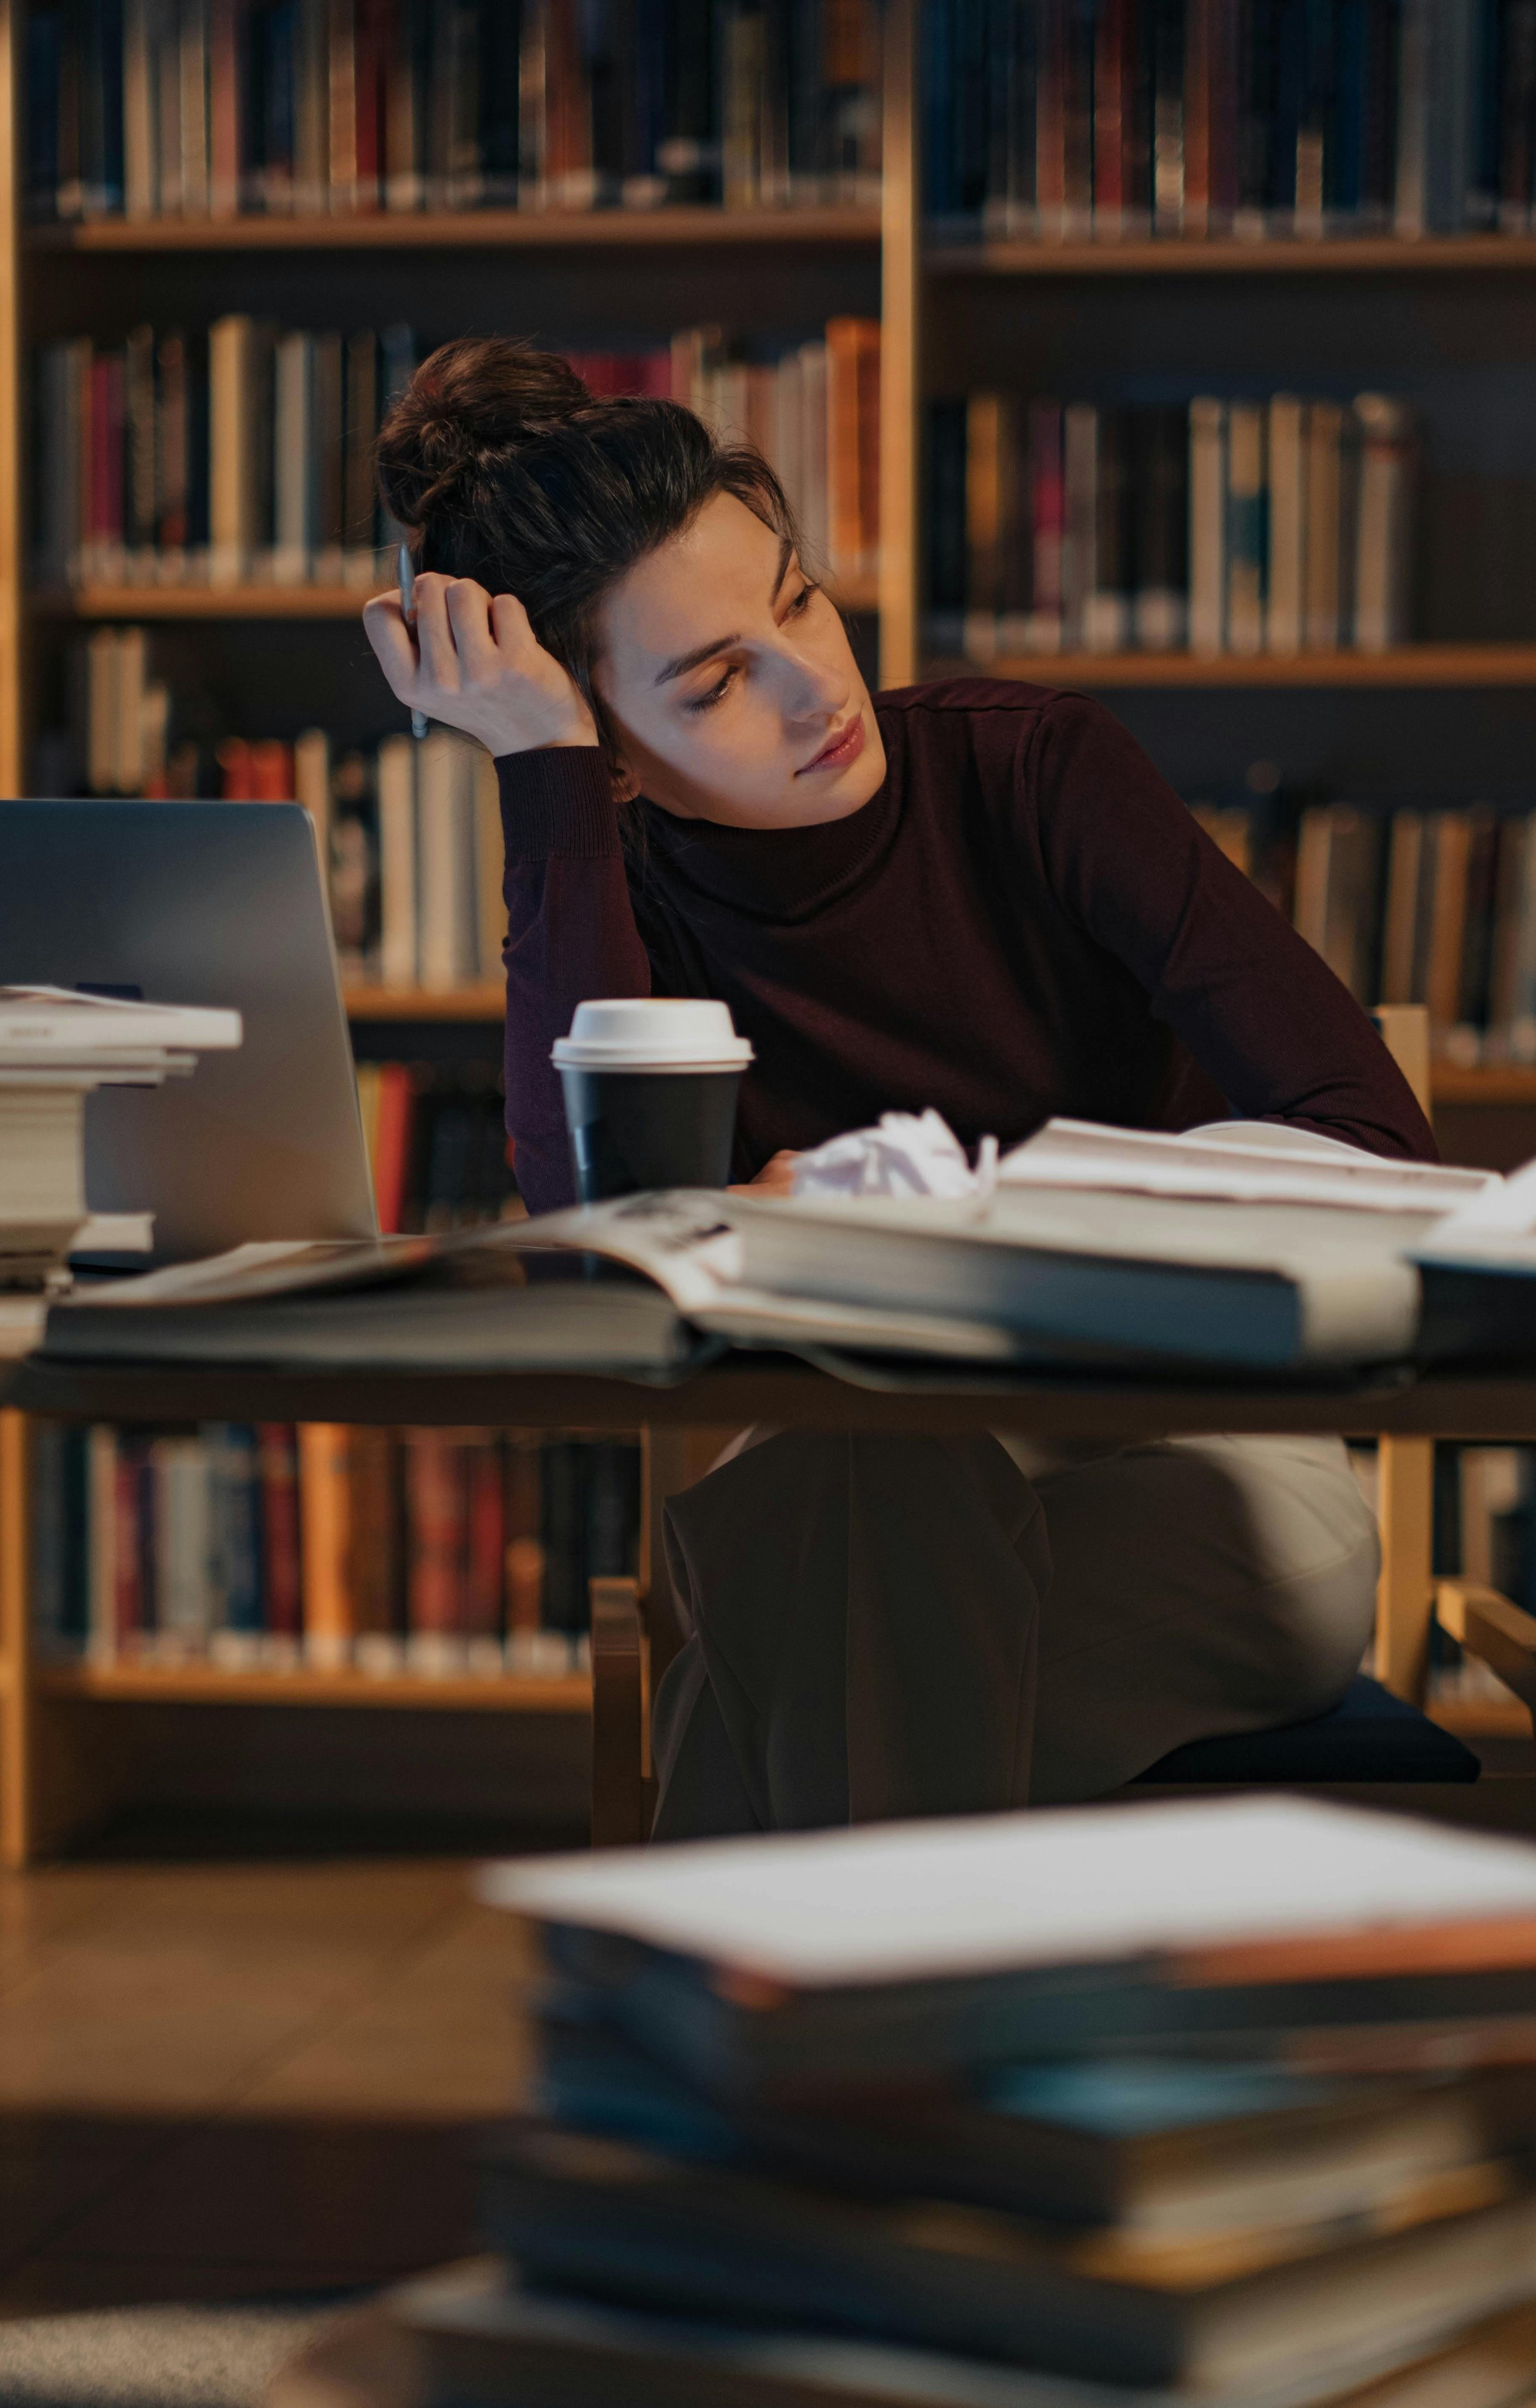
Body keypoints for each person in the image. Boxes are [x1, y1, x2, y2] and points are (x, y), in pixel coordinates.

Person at [365, 336, 1435, 1840]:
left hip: (1198, 1471)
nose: (816, 686)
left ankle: (805, 2048)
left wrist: (946, 1221)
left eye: (797, 597)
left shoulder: (1034, 770)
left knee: (761, 1692)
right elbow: (597, 1251)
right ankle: (900, 2062)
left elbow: (1371, 1139)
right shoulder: (616, 890)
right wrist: (538, 771)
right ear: (613, 754)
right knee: (844, 1480)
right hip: (863, 1482)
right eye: (720, 678)